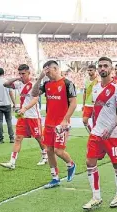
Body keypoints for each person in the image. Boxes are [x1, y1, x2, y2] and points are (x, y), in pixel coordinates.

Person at [82, 57, 117, 211]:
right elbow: (95, 109)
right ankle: (96, 197)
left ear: (111, 68)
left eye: (105, 66)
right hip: (96, 133)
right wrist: (88, 120)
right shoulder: (95, 88)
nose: (102, 68)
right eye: (100, 66)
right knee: (90, 162)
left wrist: (111, 126)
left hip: (113, 133)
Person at [32, 60, 77, 189]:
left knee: (58, 150)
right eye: (44, 71)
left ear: (56, 69)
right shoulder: (46, 84)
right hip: (49, 123)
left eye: (48, 70)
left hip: (61, 124)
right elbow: (33, 94)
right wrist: (40, 78)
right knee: (49, 150)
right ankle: (55, 178)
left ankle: (71, 164)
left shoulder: (67, 83)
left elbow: (73, 103)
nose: (47, 73)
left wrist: (65, 119)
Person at [0, 64, 47, 169]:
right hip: (22, 116)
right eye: (20, 74)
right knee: (18, 138)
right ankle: (12, 162)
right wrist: (17, 78)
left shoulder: (34, 84)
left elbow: (35, 100)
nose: (21, 76)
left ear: (29, 73)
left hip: (33, 116)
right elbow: (5, 84)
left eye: (23, 74)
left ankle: (45, 155)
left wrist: (25, 108)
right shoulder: (18, 84)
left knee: (39, 138)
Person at [0, 68, 15, 143]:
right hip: (7, 103)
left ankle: (0, 138)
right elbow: (11, 93)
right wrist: (14, 103)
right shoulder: (7, 82)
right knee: (9, 121)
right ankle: (11, 138)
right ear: (3, 73)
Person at [82, 64, 98, 133]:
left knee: (95, 122)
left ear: (95, 70)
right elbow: (84, 93)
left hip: (96, 105)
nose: (89, 72)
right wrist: (83, 104)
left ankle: (95, 136)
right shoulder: (86, 81)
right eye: (88, 70)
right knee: (84, 121)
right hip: (87, 105)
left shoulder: (99, 80)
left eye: (91, 70)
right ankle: (91, 134)